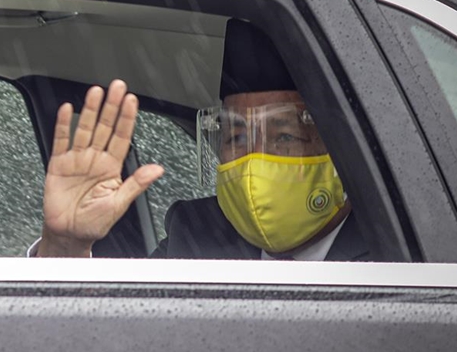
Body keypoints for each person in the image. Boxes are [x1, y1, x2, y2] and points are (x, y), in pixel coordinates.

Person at [33, 19, 369, 261]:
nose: (253, 160)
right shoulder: (196, 234)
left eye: (284, 136)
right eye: (236, 136)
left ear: (340, 148)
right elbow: (109, 331)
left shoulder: (395, 251)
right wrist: (65, 246)